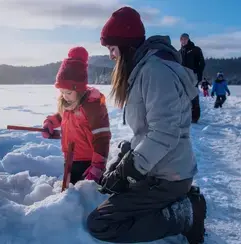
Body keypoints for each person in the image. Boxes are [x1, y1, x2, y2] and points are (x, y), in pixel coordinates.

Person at [86, 6, 206, 244]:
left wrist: (130, 169)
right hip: (158, 168)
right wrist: (127, 155)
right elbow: (149, 129)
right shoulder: (144, 69)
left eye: (112, 48)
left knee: (102, 224)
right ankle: (178, 201)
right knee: (111, 190)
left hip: (168, 176)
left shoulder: (155, 71)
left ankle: (187, 213)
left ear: (126, 45)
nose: (111, 55)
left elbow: (165, 132)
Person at [41, 46, 111, 185]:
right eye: (62, 92)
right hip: (70, 157)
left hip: (88, 162)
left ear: (78, 89)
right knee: (69, 193)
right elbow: (63, 117)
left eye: (68, 93)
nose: (65, 96)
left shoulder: (92, 106)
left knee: (84, 197)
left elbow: (102, 138)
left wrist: (97, 167)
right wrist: (50, 123)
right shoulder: (70, 103)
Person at [180, 33, 206, 123]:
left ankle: (195, 117)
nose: (183, 41)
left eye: (185, 39)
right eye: (182, 39)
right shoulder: (179, 52)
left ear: (188, 39)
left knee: (193, 95)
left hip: (192, 76)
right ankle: (184, 116)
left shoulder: (195, 49)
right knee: (183, 96)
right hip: (182, 76)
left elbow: (201, 63)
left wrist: (198, 75)